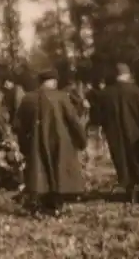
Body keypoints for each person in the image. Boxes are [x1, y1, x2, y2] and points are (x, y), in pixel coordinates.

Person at [15, 69, 87, 216]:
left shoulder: (28, 99)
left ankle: (44, 203)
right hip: (61, 141)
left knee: (41, 171)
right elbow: (73, 121)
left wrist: (24, 145)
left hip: (36, 142)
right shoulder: (62, 98)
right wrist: (81, 141)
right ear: (54, 81)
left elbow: (18, 125)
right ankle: (56, 204)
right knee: (58, 171)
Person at [97, 63, 139, 204]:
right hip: (136, 132)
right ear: (127, 75)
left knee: (123, 162)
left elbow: (99, 116)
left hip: (115, 135)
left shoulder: (105, 94)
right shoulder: (135, 91)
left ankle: (130, 191)